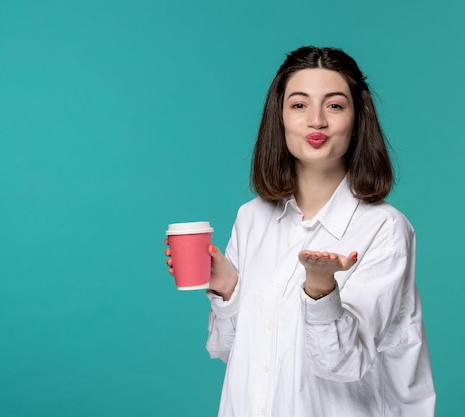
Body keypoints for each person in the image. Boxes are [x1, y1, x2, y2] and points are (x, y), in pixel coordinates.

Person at [165, 46, 436, 417]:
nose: (317, 121)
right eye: (299, 105)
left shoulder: (384, 229)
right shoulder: (252, 218)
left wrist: (321, 291)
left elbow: (344, 364)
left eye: (335, 105)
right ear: (279, 118)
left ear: (358, 119)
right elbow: (230, 352)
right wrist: (227, 290)